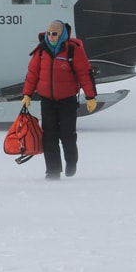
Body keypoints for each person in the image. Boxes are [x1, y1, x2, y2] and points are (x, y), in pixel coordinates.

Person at [21, 19, 97, 181]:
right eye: (49, 33)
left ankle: (71, 162)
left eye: (54, 34)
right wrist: (27, 94)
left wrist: (91, 96)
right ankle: (53, 171)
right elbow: (32, 74)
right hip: (47, 100)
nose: (51, 37)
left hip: (67, 100)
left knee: (67, 135)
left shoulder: (73, 51)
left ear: (61, 34)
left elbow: (85, 74)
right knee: (49, 137)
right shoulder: (41, 51)